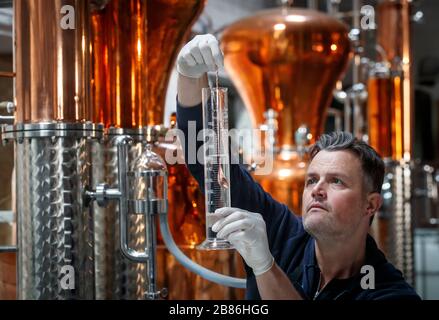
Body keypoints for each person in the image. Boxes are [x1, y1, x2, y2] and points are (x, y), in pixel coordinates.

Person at [175, 34, 420, 300]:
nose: (317, 190)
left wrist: (265, 265)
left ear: (370, 205)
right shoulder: (278, 231)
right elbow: (209, 163)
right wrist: (188, 75)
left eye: (336, 181)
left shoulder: (389, 293)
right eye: (312, 180)